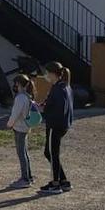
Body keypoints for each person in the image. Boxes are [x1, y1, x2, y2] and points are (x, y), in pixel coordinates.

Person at [39, 62, 74, 195]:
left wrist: (44, 109)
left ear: (53, 74)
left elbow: (59, 107)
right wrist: (45, 104)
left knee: (51, 153)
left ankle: (55, 184)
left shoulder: (58, 88)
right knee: (51, 153)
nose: (46, 75)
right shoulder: (64, 86)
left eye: (48, 73)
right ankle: (63, 181)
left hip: (55, 124)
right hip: (62, 124)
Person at [6, 74, 36, 190]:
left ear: (18, 84)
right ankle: (28, 176)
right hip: (25, 126)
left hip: (19, 127)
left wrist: (9, 124)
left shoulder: (20, 98)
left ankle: (25, 179)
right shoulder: (27, 96)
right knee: (24, 152)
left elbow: (15, 114)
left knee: (21, 153)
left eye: (15, 83)